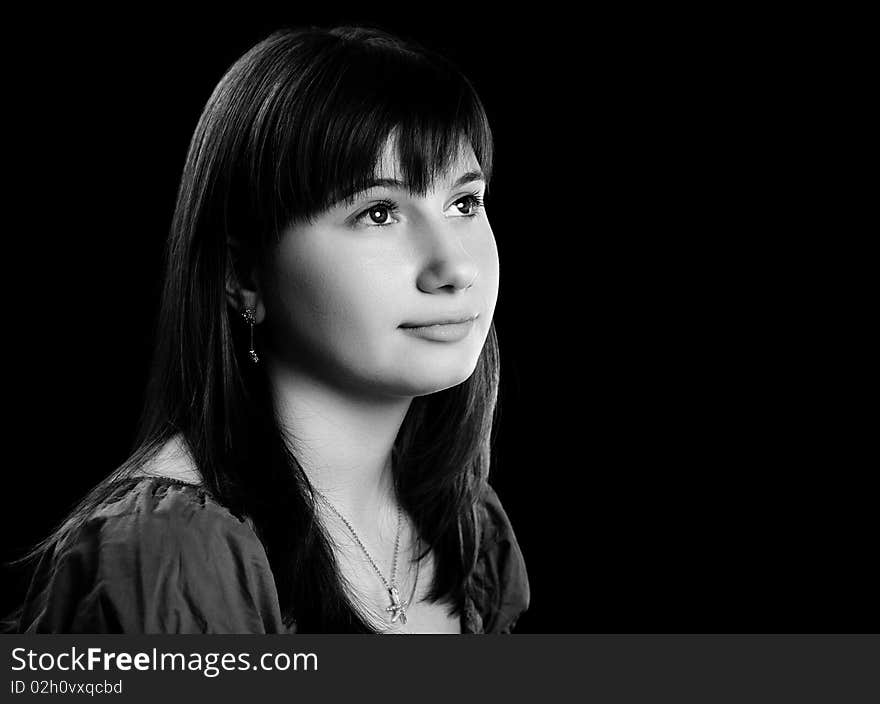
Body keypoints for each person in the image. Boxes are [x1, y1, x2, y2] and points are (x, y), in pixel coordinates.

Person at [6, 24, 529, 634]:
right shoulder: (174, 554)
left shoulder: (467, 528)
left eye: (464, 203)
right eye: (378, 212)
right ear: (245, 277)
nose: (455, 268)